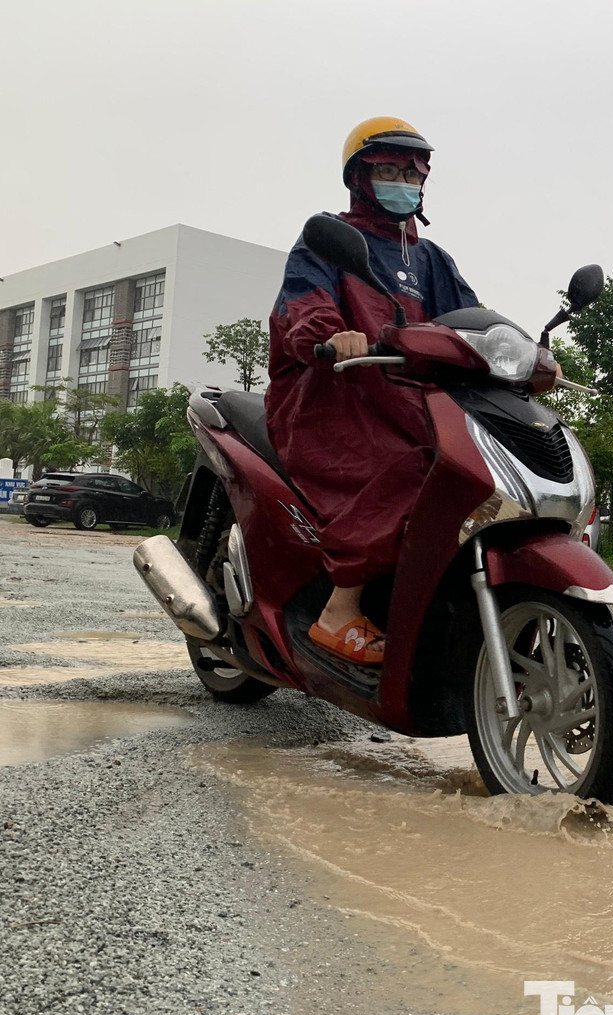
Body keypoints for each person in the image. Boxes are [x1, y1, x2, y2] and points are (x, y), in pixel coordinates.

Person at [266, 117, 479, 666]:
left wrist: (521, 350)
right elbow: (302, 305)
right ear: (360, 177)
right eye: (388, 169)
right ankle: (340, 608)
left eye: (412, 173)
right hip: (332, 397)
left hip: (409, 403)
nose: (403, 182)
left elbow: (472, 319)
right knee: (416, 469)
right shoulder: (330, 238)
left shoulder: (430, 259)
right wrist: (330, 335)